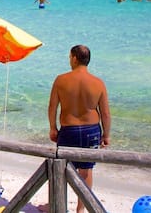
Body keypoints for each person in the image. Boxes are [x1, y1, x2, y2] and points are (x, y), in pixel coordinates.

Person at [48, 44, 111, 213]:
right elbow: (105, 113)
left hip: (69, 129)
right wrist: (106, 135)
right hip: (91, 130)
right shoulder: (98, 83)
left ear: (75, 58)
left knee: (61, 168)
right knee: (87, 170)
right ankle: (81, 209)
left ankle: (58, 204)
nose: (69, 60)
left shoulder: (61, 80)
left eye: (70, 57)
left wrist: (53, 128)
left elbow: (52, 107)